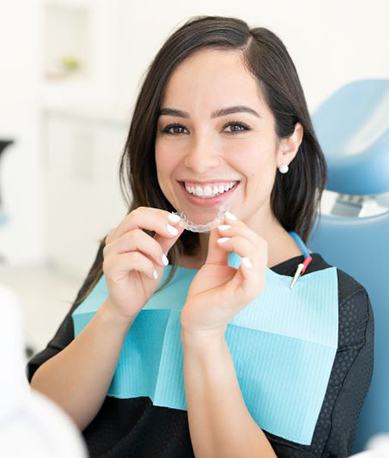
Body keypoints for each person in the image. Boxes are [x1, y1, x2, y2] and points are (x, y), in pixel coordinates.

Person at [28, 16, 374, 457]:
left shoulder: (336, 304)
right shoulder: (132, 253)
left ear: (287, 144)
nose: (199, 159)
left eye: (234, 127)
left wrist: (205, 335)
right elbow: (37, 422)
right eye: (175, 128)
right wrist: (116, 313)